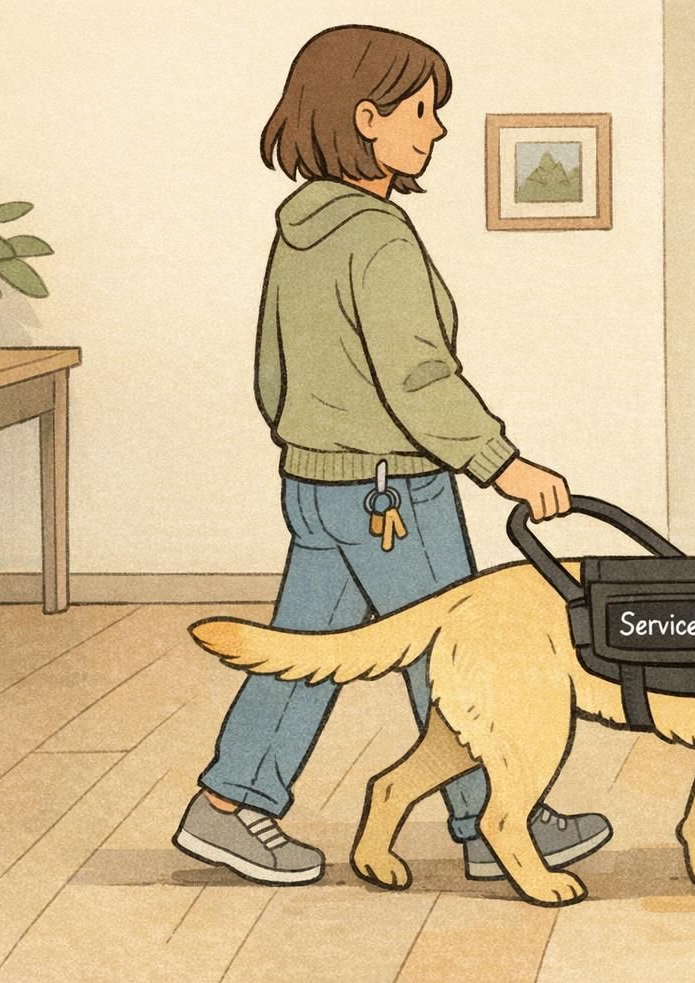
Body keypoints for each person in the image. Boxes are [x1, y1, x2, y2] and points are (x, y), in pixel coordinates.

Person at [173, 24, 611, 885]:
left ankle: (226, 806)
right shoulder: (377, 236)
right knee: (460, 648)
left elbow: (271, 372)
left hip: (317, 485)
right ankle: (494, 826)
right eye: (422, 111)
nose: (437, 129)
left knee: (306, 649)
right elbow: (418, 377)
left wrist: (312, 442)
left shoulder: (300, 231)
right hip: (392, 494)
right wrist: (502, 463)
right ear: (366, 118)